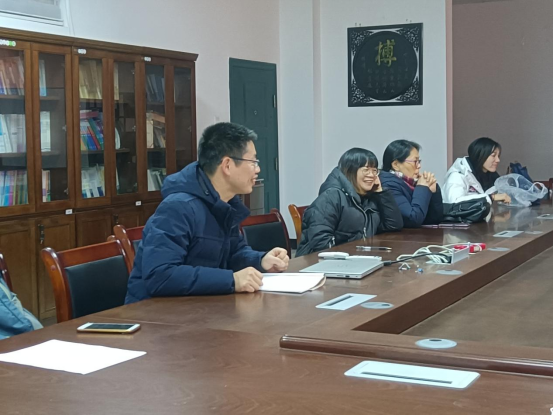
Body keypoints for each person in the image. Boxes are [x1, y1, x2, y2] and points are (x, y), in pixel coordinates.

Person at [125, 122, 289, 304]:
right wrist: (231, 280)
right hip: (153, 314)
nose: (257, 169)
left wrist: (261, 260)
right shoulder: (178, 207)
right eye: (253, 162)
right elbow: (160, 275)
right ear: (227, 165)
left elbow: (234, 253)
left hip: (199, 307)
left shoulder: (225, 204)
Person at [296, 148, 403, 256]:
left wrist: (380, 192)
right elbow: (320, 242)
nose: (371, 175)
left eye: (374, 170)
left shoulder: (369, 197)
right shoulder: (331, 196)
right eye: (366, 170)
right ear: (350, 170)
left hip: (358, 258)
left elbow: (393, 225)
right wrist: (352, 258)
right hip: (319, 261)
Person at [379, 140, 443, 228]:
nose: (419, 166)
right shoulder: (388, 185)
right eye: (415, 161)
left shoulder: (410, 183)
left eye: (419, 161)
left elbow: (433, 220)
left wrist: (432, 192)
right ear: (396, 165)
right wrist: (422, 188)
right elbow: (413, 219)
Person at [443, 137, 511, 204]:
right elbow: (455, 202)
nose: (498, 160)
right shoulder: (458, 176)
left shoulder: (493, 177)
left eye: (498, 156)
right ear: (479, 155)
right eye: (493, 155)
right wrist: (491, 197)